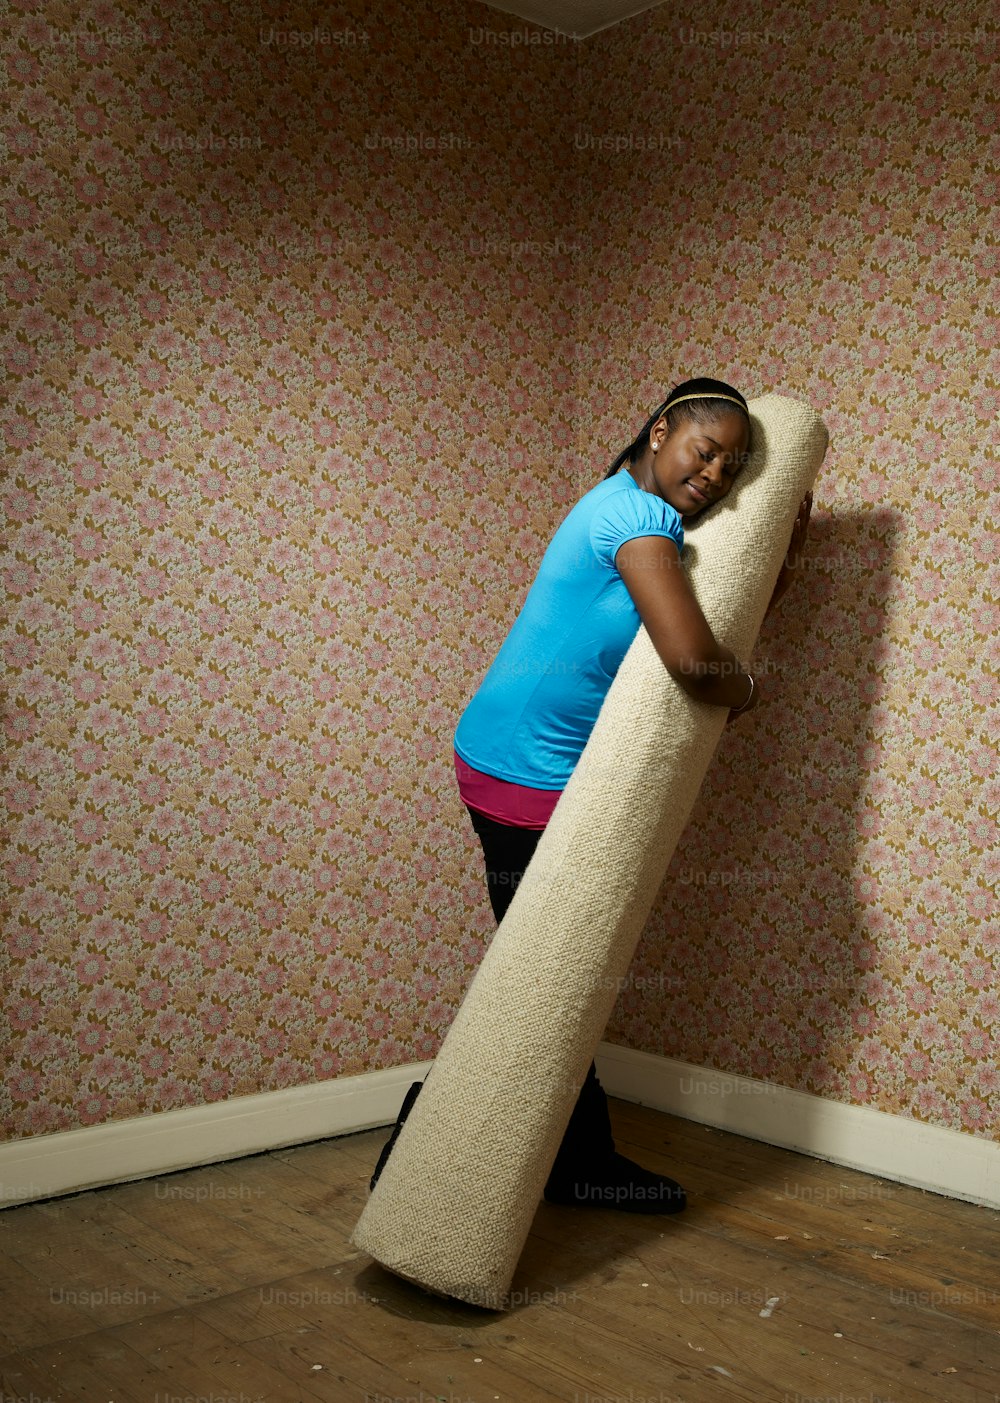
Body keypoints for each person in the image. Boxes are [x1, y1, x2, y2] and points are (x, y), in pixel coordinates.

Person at [370, 378, 812, 1213]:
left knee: (549, 976)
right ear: (659, 432)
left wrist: (782, 558)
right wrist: (749, 694)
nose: (715, 473)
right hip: (519, 775)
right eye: (703, 449)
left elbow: (710, 625)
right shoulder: (638, 522)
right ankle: (428, 1137)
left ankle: (582, 1158)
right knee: (543, 980)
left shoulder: (628, 504)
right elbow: (696, 662)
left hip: (508, 760)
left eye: (733, 465)